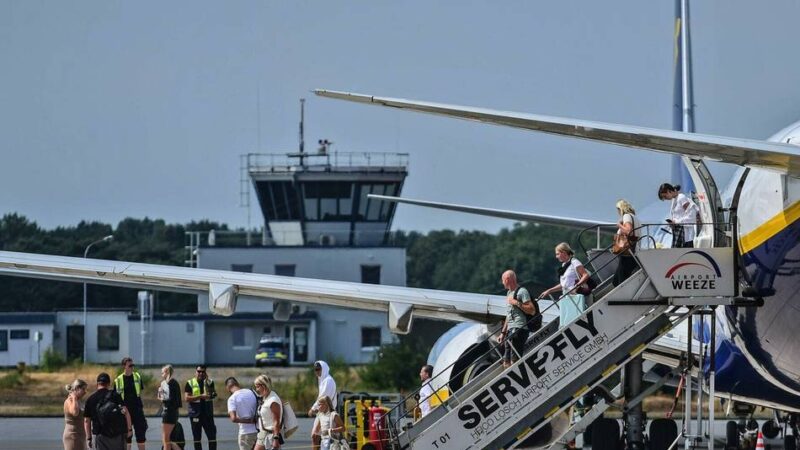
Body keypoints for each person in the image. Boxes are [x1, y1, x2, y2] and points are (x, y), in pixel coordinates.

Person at [539, 243, 590, 327]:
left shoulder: (574, 262)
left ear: (563, 252)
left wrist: (578, 285)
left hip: (575, 296)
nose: (556, 256)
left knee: (575, 320)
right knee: (568, 321)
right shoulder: (564, 265)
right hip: (567, 297)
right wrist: (549, 291)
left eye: (557, 254)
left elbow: (585, 275)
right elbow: (564, 285)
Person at [84, 372, 132, 450]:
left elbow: (86, 420)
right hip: (118, 434)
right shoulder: (115, 395)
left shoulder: (90, 399)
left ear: (97, 384)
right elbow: (125, 411)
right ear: (109, 384)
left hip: (100, 435)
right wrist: (129, 430)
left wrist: (89, 438)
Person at [499, 270, 536, 368]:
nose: (502, 283)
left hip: (520, 328)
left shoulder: (522, 291)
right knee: (506, 361)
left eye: (503, 280)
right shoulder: (508, 293)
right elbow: (509, 314)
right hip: (511, 330)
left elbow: (532, 310)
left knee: (514, 360)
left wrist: (516, 303)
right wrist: (503, 333)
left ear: (507, 280)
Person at [113, 357, 147, 450]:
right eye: (130, 365)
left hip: (137, 409)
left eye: (133, 365)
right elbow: (116, 397)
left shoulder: (137, 376)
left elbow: (140, 392)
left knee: (141, 433)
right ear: (124, 366)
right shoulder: (118, 380)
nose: (132, 367)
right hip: (125, 410)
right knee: (127, 436)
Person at [185, 365, 218, 450]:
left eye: (203, 371)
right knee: (197, 439)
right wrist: (200, 396)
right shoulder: (190, 382)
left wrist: (212, 395)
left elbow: (212, 394)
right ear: (195, 372)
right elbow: (187, 398)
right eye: (199, 371)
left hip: (208, 414)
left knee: (212, 437)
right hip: (195, 415)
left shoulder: (210, 382)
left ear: (205, 372)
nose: (201, 373)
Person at [658, 183, 699, 248]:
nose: (665, 199)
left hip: (685, 234)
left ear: (669, 191)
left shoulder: (681, 198)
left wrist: (676, 222)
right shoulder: (675, 199)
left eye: (665, 196)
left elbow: (691, 215)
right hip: (679, 232)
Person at [308, 361, 337, 450]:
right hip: (322, 412)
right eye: (315, 370)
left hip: (327, 414)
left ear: (323, 369)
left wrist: (313, 409)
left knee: (325, 438)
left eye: (319, 369)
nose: (317, 372)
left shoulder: (328, 380)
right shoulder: (322, 380)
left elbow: (322, 397)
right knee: (315, 435)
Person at [613, 199, 642, 286]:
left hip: (628, 252)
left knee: (619, 281)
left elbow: (629, 231)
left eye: (618, 209)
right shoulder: (634, 217)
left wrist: (619, 225)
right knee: (617, 280)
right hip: (633, 251)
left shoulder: (626, 216)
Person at [226, 376, 258, 450]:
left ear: (227, 388)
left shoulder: (232, 399)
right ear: (237, 384)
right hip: (258, 430)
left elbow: (233, 418)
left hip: (245, 433)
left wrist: (249, 421)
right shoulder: (252, 391)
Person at [253, 375, 283, 450]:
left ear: (264, 386)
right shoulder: (266, 398)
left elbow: (276, 421)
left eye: (257, 386)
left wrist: (276, 439)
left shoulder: (273, 400)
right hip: (263, 433)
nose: (256, 389)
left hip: (269, 435)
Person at [158, 364, 182, 450]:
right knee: (167, 439)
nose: (161, 375)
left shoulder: (172, 383)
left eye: (162, 373)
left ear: (167, 372)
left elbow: (174, 400)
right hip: (167, 412)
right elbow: (161, 398)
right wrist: (160, 393)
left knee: (166, 439)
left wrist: (163, 399)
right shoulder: (165, 383)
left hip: (170, 413)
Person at [63, 379, 88, 450]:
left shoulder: (78, 401)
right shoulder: (69, 401)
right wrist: (74, 397)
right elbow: (75, 412)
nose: (85, 392)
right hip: (72, 435)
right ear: (77, 388)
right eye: (83, 389)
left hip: (80, 435)